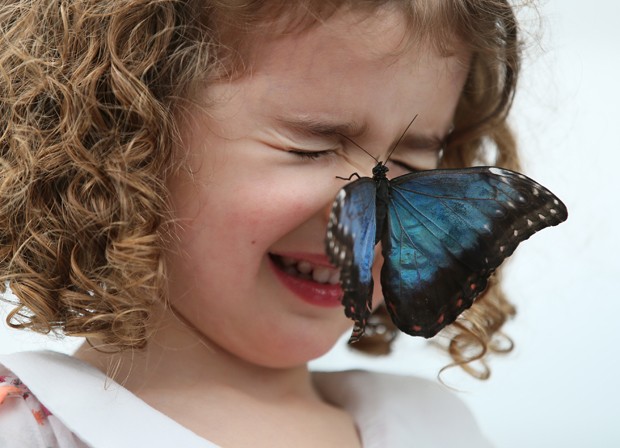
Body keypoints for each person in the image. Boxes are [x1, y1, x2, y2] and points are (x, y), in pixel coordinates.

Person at [0, 0, 525, 446]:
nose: (370, 208)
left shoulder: (433, 427)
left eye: (413, 163)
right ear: (128, 136)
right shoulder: (31, 426)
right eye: (310, 146)